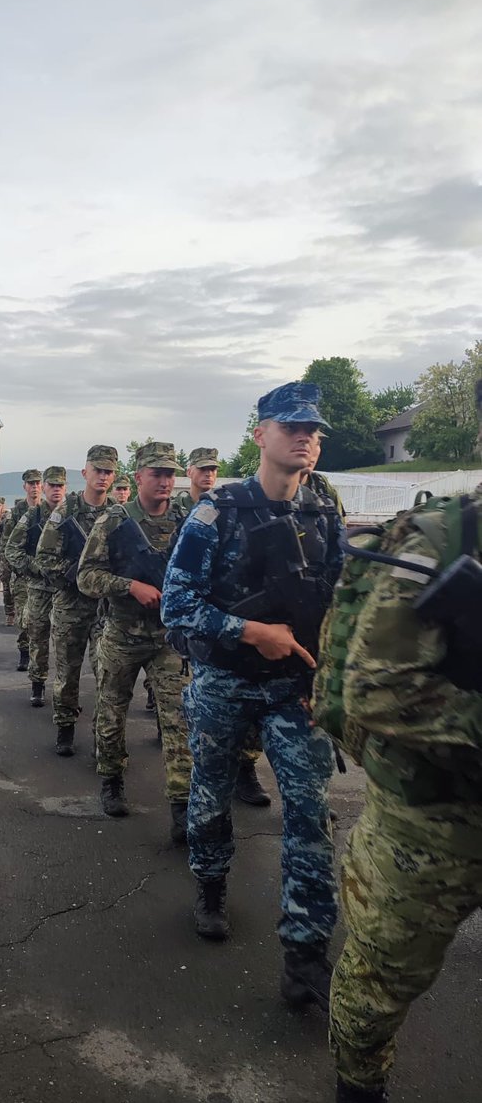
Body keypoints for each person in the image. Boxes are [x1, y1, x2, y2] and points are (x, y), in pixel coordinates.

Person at [324, 380, 482, 1103]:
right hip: (433, 820)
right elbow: (374, 690)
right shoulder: (437, 539)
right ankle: (358, 1090)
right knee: (387, 972)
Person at [161, 382, 342, 1013]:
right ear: (260, 433)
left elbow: (340, 603)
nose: (306, 438)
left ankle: (305, 951)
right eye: (292, 426)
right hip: (225, 681)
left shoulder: (325, 508)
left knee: (311, 813)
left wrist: (329, 683)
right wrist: (250, 632)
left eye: (314, 430)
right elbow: (178, 606)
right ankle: (210, 886)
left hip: (295, 689)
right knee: (210, 795)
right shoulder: (218, 511)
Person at [77, 442, 191, 836]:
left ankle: (181, 804)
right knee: (112, 713)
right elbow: (87, 577)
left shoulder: (186, 520)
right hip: (122, 634)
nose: (164, 480)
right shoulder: (113, 521)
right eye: (156, 473)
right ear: (138, 476)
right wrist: (129, 586)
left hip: (168, 639)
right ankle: (111, 780)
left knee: (179, 719)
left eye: (169, 474)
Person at [184, 447, 272, 809]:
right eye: (202, 469)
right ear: (189, 472)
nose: (208, 475)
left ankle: (246, 768)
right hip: (195, 622)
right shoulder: (191, 513)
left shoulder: (237, 509)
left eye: (213, 469)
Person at [35, 446, 118, 756]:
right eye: (98, 470)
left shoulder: (117, 514)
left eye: (108, 471)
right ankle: (65, 725)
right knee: (68, 671)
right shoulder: (65, 512)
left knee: (105, 674)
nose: (103, 476)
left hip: (105, 610)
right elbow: (44, 558)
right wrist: (69, 575)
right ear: (85, 473)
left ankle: (104, 735)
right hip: (70, 604)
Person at [5, 467, 66, 706]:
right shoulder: (32, 516)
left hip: (66, 588)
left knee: (65, 642)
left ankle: (64, 689)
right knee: (38, 637)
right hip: (39, 587)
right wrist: (35, 567)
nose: (56, 489)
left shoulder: (72, 514)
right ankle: (38, 683)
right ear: (45, 487)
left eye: (60, 485)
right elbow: (12, 549)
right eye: (52, 485)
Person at [0, 473, 39, 671]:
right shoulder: (16, 513)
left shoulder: (51, 511)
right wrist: (18, 567)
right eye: (31, 483)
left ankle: (39, 658)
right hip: (24, 573)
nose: (35, 487)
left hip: (47, 576)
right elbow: (9, 544)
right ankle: (24, 651)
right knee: (24, 616)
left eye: (38, 483)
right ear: (24, 486)